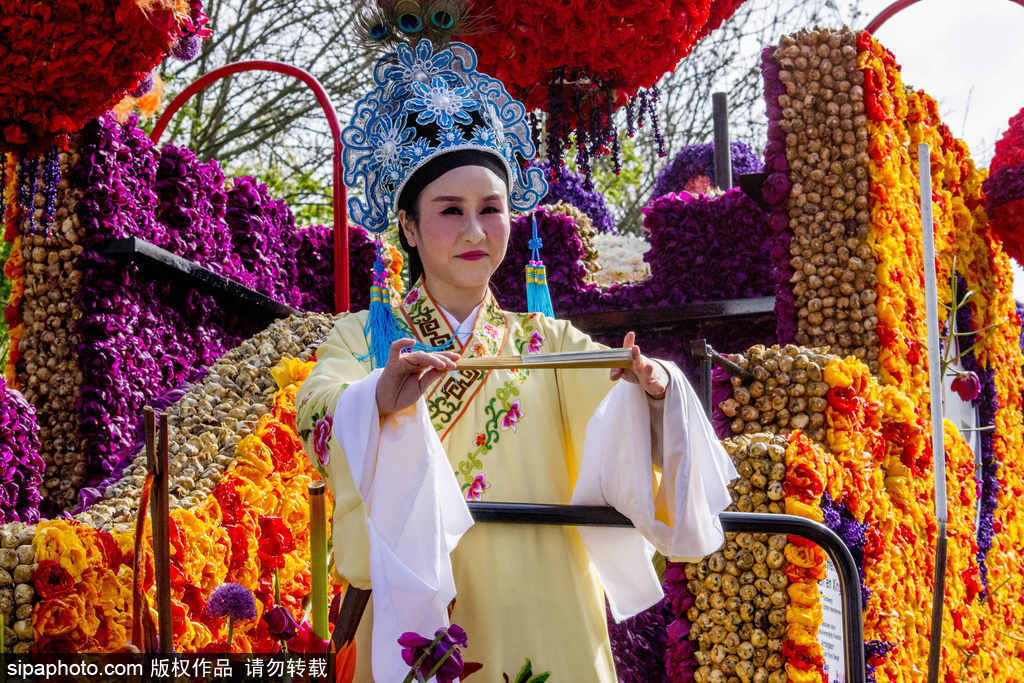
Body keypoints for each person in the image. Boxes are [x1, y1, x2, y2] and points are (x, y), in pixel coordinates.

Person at [295, 38, 736, 682]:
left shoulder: (550, 342)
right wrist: (377, 402)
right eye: (450, 211)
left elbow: (623, 412)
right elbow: (320, 410)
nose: (475, 231)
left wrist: (655, 389)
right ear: (410, 229)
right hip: (417, 614)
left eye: (491, 210)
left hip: (546, 603)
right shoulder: (362, 340)